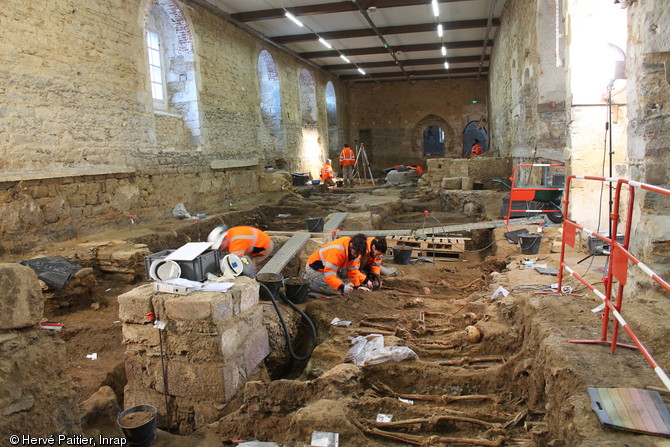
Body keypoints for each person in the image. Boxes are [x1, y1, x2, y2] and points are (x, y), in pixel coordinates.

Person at [303, 233, 370, 294]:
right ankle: (307, 281)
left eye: (358, 253)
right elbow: (329, 274)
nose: (356, 256)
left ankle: (316, 281)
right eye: (355, 252)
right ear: (351, 245)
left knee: (342, 286)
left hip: (327, 270)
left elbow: (352, 271)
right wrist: (342, 288)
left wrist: (357, 286)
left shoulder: (355, 250)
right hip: (315, 269)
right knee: (337, 291)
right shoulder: (337, 251)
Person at [208, 225, 274, 274]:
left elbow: (236, 263)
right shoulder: (229, 233)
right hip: (257, 244)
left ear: (224, 240)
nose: (221, 249)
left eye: (220, 246)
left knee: (250, 268)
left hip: (265, 247)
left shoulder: (236, 243)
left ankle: (255, 283)